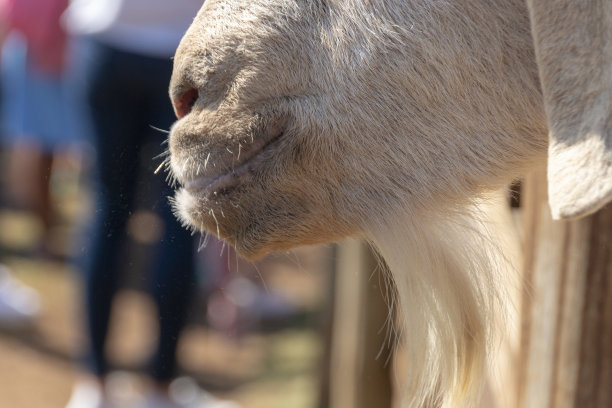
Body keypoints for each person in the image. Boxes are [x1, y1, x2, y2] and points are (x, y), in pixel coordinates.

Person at [62, 1, 240, 407]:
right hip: (182, 52)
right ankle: (159, 388)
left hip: (106, 44)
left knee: (107, 209)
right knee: (177, 217)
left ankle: (94, 385)